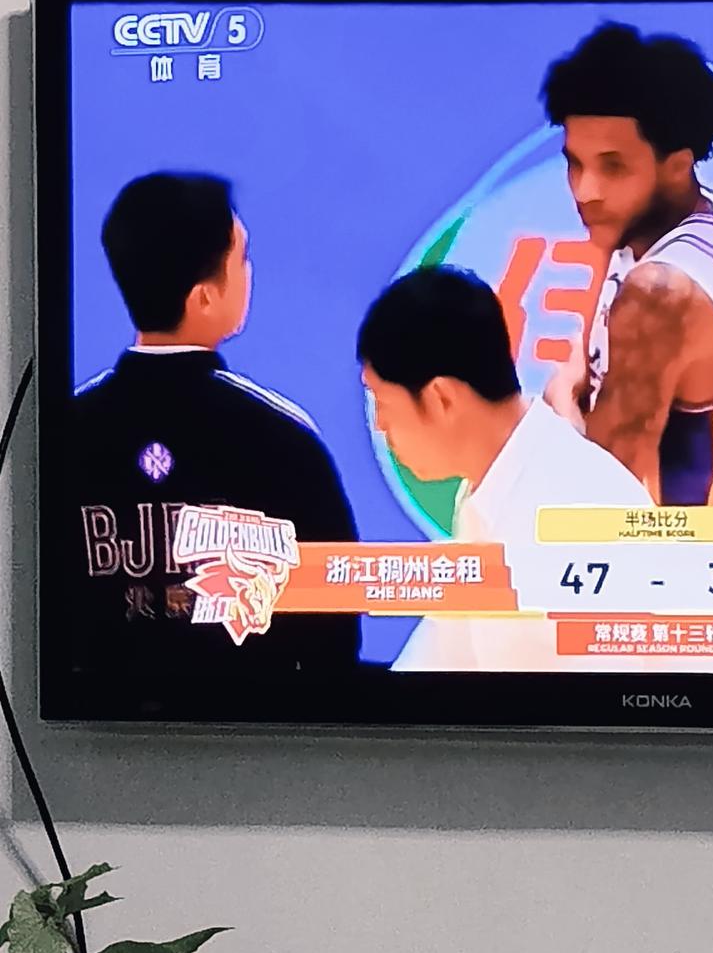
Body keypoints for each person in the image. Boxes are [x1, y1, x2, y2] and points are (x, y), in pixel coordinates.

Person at [70, 172, 358, 698]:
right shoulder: (284, 441)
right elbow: (335, 641)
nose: (250, 272)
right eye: (241, 258)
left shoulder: (62, 434)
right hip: (260, 734)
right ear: (203, 298)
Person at [540, 21, 713, 538]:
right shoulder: (703, 213)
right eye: (574, 164)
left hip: (707, 579)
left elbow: (595, 513)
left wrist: (559, 407)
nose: (585, 190)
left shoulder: (660, 293)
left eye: (612, 167)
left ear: (677, 165)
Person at [358, 265, 651, 671]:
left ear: (442, 398)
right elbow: (439, 656)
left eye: (384, 403)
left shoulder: (578, 511)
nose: (379, 425)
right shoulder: (487, 495)